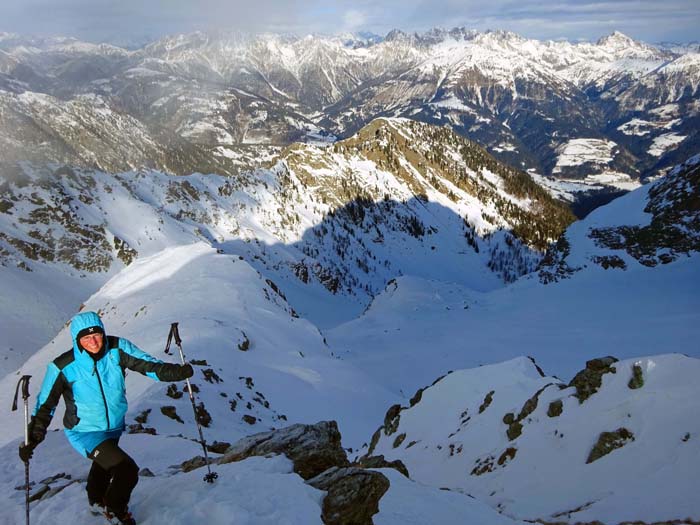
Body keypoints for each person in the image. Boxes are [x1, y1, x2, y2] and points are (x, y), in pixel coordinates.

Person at [18, 311, 194, 525]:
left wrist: (175, 372)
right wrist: (33, 438)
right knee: (126, 470)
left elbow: (148, 365)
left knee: (103, 465)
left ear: (103, 332)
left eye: (97, 335)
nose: (93, 342)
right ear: (77, 340)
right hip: (85, 431)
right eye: (86, 338)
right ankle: (115, 509)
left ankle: (95, 501)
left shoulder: (117, 349)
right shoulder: (63, 367)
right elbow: (46, 405)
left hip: (113, 426)